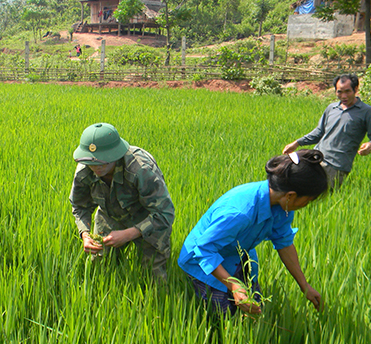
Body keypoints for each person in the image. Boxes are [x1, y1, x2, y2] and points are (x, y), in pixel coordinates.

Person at [178, 149, 328, 317]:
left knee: (254, 307)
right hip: (202, 260)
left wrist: (304, 285)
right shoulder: (240, 213)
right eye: (307, 201)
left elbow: (284, 242)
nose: (305, 206)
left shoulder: (283, 206)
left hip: (236, 253)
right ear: (291, 195)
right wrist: (233, 285)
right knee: (225, 314)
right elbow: (204, 249)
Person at [69, 123, 175, 280]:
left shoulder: (140, 170)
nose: (97, 167)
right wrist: (85, 234)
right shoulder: (85, 171)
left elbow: (164, 213)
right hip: (110, 214)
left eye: (103, 162)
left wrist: (129, 234)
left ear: (115, 155)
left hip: (148, 218)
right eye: (92, 162)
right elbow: (79, 206)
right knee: (100, 268)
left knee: (154, 275)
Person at [283, 74, 371, 189]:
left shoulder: (367, 112)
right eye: (339, 92)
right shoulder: (332, 108)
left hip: (336, 166)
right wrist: (297, 143)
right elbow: (319, 132)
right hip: (316, 157)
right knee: (298, 189)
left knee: (322, 198)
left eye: (348, 91)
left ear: (356, 89)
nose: (343, 96)